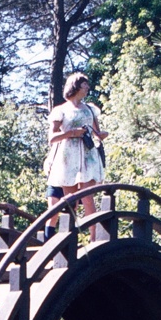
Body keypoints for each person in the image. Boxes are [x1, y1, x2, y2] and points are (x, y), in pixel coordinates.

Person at [46, 73, 108, 235]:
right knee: (70, 203)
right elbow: (52, 137)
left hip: (87, 155)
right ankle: (67, 241)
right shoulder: (61, 111)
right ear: (75, 86)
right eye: (84, 85)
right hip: (67, 156)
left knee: (87, 198)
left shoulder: (90, 109)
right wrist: (71, 133)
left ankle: (94, 239)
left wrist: (100, 135)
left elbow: (97, 132)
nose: (87, 87)